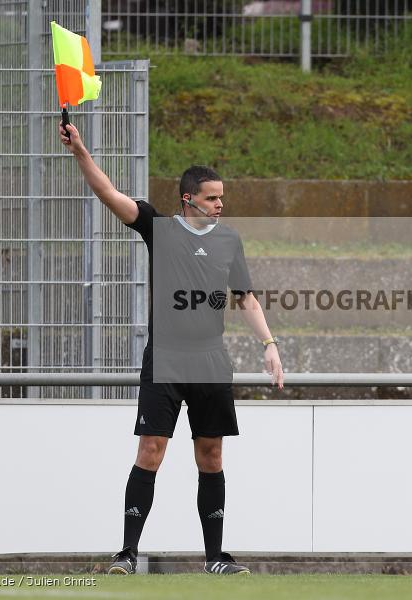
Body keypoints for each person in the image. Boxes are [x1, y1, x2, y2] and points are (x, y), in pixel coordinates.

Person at [59, 121, 284, 576]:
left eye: (221, 198)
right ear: (188, 199)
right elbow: (108, 193)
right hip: (165, 359)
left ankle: (215, 558)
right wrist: (80, 151)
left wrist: (269, 344)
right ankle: (127, 554)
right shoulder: (159, 228)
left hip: (211, 361)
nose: (220, 205)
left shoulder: (229, 240)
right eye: (212, 198)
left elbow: (245, 297)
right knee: (151, 450)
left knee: (212, 455)